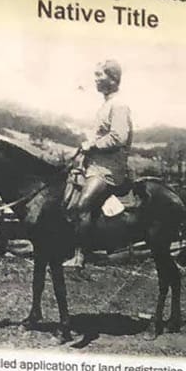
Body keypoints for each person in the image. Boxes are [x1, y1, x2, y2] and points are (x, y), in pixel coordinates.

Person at [67, 58, 133, 268]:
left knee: (82, 205)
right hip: (94, 165)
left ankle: (79, 257)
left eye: (99, 75)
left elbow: (119, 137)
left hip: (108, 169)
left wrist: (92, 145)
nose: (95, 80)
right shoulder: (106, 105)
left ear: (113, 79)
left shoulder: (119, 105)